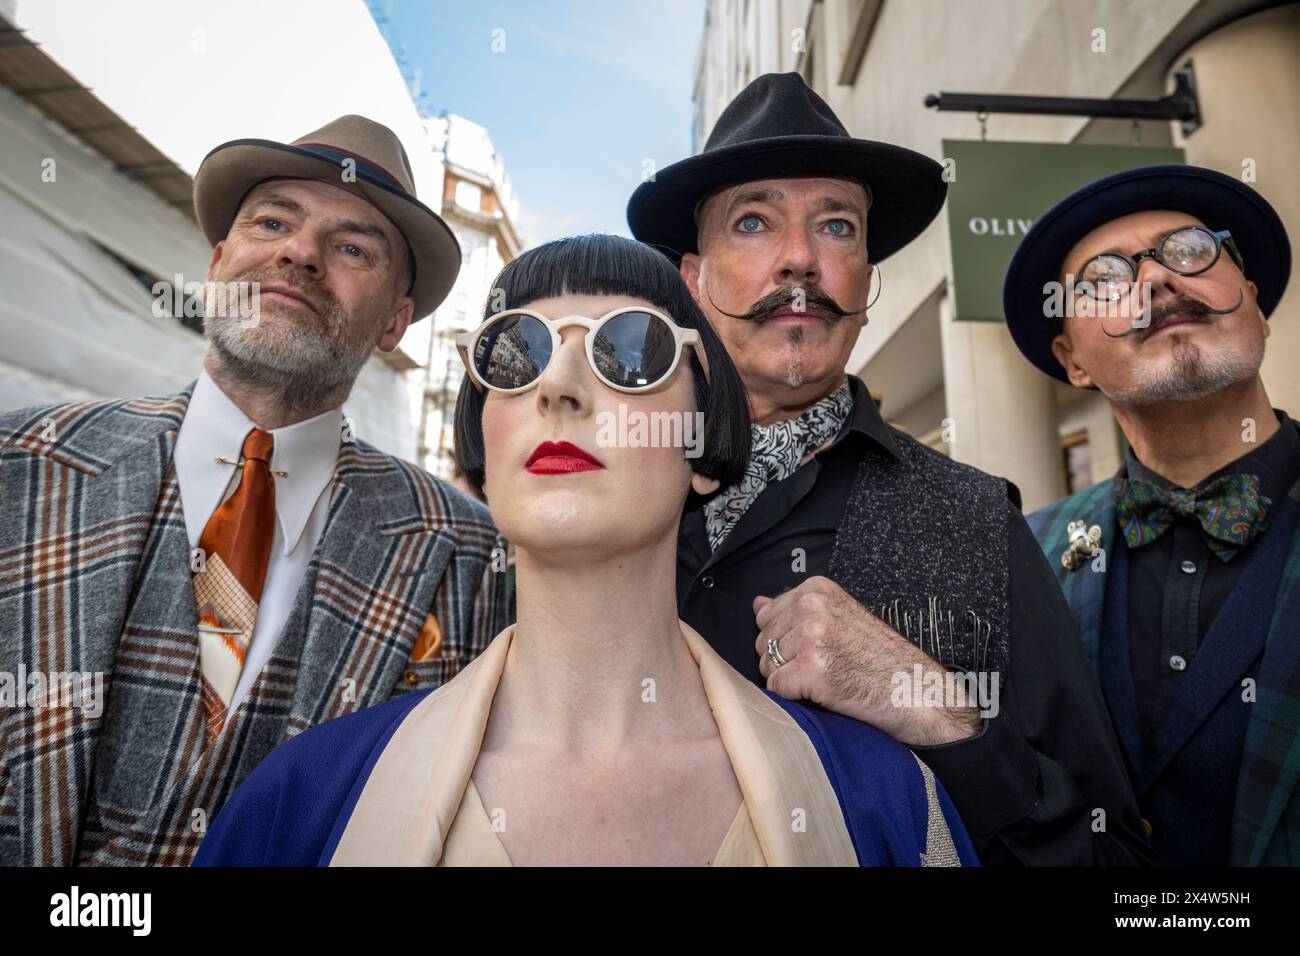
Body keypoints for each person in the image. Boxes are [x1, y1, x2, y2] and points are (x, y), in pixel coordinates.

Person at [193, 234, 979, 867]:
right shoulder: (297, 807)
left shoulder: (885, 807)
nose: (558, 388)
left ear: (702, 447)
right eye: (516, 352)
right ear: (484, 442)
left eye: (631, 353)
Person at [627, 71, 1150, 865]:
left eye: (836, 226)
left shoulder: (972, 523)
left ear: (868, 281)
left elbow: (1119, 868)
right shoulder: (614, 499)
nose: (800, 259)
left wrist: (939, 713)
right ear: (694, 280)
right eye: (755, 221)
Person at [0, 115, 507, 866]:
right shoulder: (20, 466)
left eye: (352, 247)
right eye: (273, 221)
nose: (299, 252)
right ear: (216, 266)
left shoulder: (470, 554)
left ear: (396, 321)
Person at [1007, 164, 1299, 865]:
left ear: (1254, 304)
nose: (1160, 282)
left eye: (1192, 251)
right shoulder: (1025, 555)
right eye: (1105, 281)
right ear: (1072, 360)